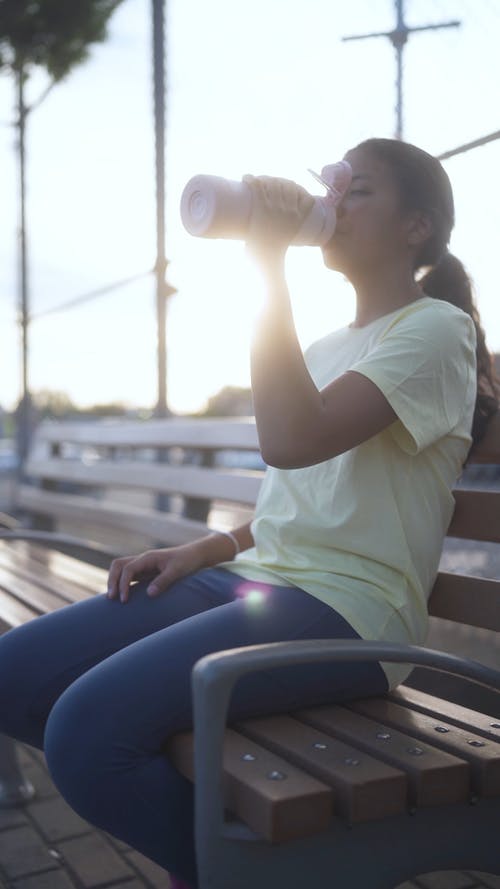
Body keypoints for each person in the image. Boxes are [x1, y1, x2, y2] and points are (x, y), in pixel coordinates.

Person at [0, 138, 497, 889]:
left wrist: (266, 265)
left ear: (416, 227)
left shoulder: (434, 330)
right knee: (15, 674)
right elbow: (300, 499)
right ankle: (226, 854)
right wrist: (204, 548)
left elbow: (290, 440)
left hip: (349, 613)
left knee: (85, 733)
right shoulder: (331, 344)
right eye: (333, 184)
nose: (333, 202)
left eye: (357, 190)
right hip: (258, 582)